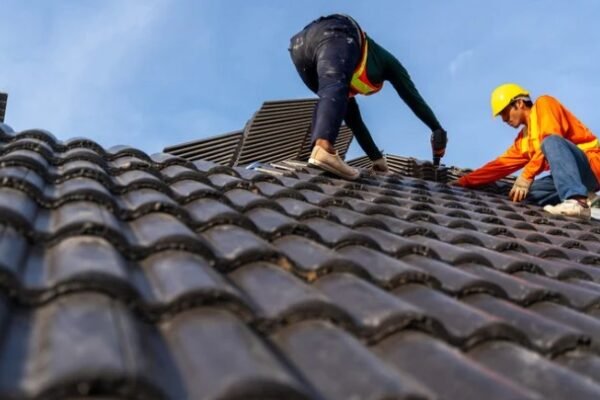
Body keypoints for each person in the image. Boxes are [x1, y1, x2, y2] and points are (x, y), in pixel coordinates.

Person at [289, 14, 447, 180]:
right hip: (337, 31)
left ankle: (316, 153)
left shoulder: (343, 79)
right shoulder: (387, 63)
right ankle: (323, 148)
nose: (355, 93)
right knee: (334, 87)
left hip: (300, 47)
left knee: (332, 98)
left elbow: (356, 123)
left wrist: (377, 159)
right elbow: (411, 96)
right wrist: (436, 128)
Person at [454, 83, 600, 219]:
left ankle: (578, 202)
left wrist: (527, 175)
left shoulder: (544, 104)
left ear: (519, 103)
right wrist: (464, 182)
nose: (504, 119)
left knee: (551, 141)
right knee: (523, 194)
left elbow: (551, 137)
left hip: (592, 166)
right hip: (573, 177)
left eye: (505, 112)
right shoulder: (523, 141)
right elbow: (499, 166)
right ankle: (588, 198)